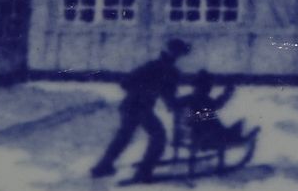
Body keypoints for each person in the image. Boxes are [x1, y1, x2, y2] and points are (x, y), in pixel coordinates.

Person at [90, 38, 190, 182]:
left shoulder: (152, 65)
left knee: (123, 136)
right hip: (141, 107)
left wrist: (140, 90)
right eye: (179, 52)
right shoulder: (170, 71)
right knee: (159, 137)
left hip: (128, 105)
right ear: (178, 54)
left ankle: (102, 167)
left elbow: (125, 83)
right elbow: (170, 100)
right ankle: (144, 172)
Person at [173, 73, 250, 153]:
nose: (210, 88)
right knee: (228, 128)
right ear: (204, 86)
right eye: (208, 85)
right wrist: (227, 93)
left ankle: (234, 136)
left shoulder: (192, 97)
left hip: (204, 130)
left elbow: (175, 104)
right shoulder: (201, 98)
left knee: (229, 125)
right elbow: (216, 105)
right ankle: (234, 138)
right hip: (206, 134)